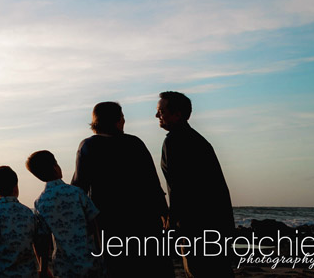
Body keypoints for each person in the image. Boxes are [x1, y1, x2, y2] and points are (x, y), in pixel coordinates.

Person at [71, 101, 171, 278]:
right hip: (144, 218)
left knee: (118, 267)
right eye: (122, 117)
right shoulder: (134, 143)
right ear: (116, 121)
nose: (124, 121)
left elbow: (79, 186)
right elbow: (152, 183)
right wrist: (163, 212)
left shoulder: (88, 146)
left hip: (109, 219)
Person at [156, 91, 234, 278]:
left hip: (196, 224)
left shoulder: (174, 142)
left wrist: (172, 224)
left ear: (177, 114)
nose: (157, 115)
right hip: (218, 222)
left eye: (161, 111)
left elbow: (179, 187)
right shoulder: (197, 140)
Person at [27, 151, 101, 278]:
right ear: (55, 167)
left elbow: (43, 241)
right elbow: (95, 223)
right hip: (90, 260)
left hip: (64, 266)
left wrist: (43, 270)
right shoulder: (77, 193)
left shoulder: (40, 202)